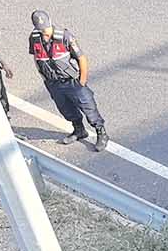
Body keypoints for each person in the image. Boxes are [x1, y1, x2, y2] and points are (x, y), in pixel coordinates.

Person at [25, 10, 107, 151]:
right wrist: (43, 77)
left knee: (88, 107)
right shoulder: (34, 37)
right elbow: (36, 57)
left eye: (46, 28)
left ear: (50, 22)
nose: (44, 31)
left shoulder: (64, 36)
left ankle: (101, 133)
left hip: (71, 81)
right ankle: (79, 130)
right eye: (41, 29)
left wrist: (82, 81)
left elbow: (81, 58)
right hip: (53, 82)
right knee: (66, 109)